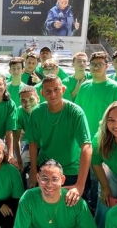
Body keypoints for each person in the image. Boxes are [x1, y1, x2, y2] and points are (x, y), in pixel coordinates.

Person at [27, 75, 92, 204]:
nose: (53, 94)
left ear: (63, 89)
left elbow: (87, 147)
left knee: (72, 209)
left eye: (56, 89)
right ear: (42, 93)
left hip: (71, 170)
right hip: (46, 168)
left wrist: (80, 185)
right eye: (48, 91)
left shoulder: (75, 112)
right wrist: (34, 170)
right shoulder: (37, 112)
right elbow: (33, 142)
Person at [75, 51, 117, 135]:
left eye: (99, 64)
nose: (96, 67)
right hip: (85, 136)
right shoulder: (84, 86)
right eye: (93, 64)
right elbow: (77, 112)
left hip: (107, 137)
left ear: (106, 66)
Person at [13, 85, 39, 185]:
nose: (27, 103)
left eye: (31, 99)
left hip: (46, 145)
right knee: (22, 165)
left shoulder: (44, 109)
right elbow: (16, 138)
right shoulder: (19, 112)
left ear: (38, 99)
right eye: (23, 100)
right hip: (29, 144)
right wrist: (19, 160)